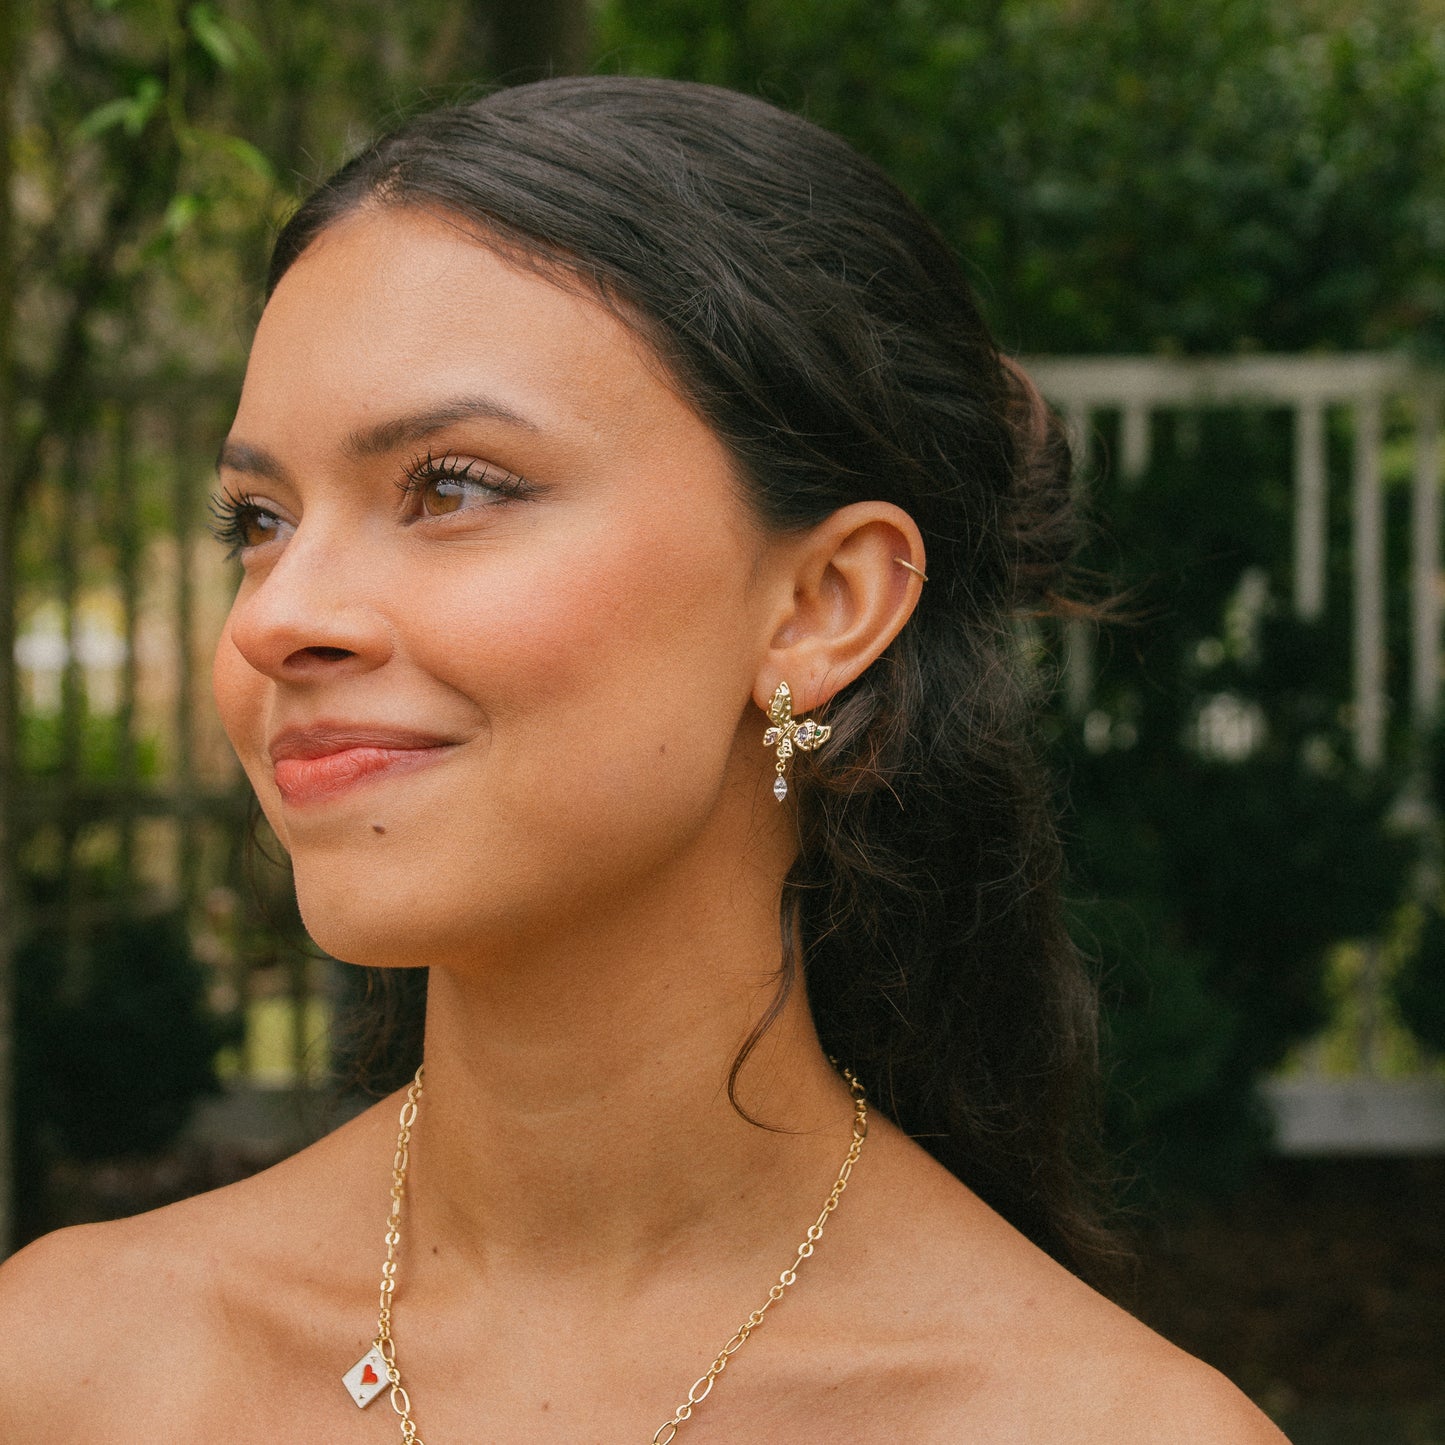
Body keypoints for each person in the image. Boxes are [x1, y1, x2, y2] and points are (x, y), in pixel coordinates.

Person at [0, 76, 1286, 1443]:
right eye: (256, 517)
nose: (273, 616)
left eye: (451, 486)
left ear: (819, 606)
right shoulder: (70, 1368)